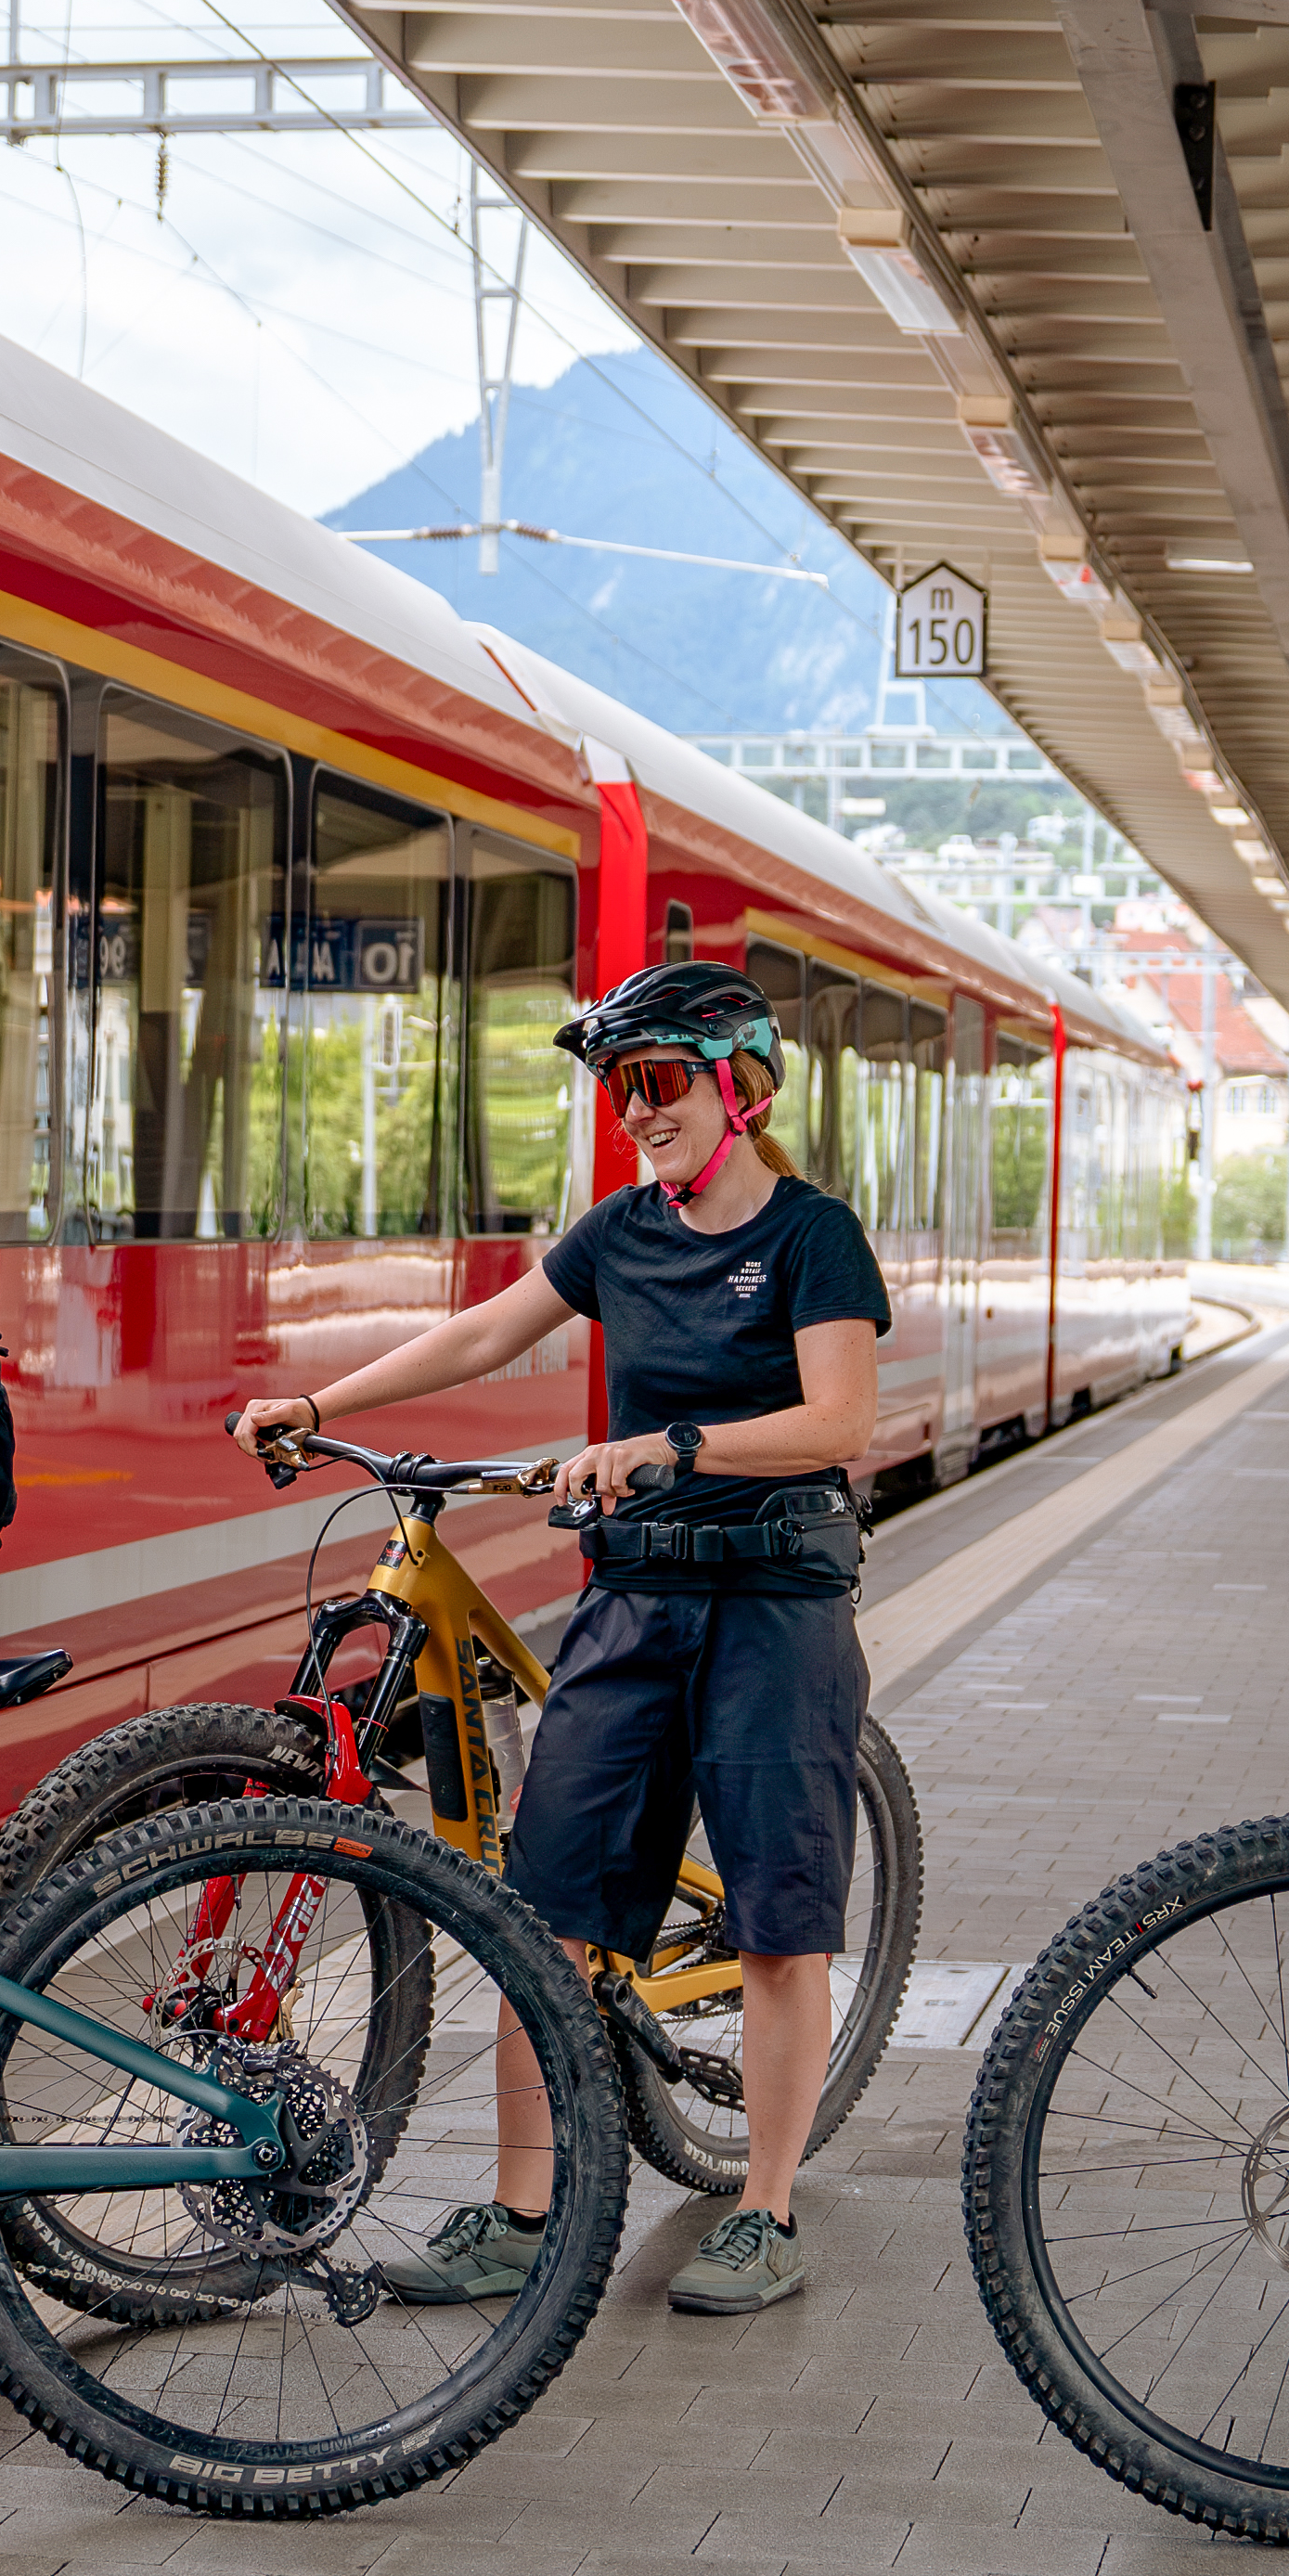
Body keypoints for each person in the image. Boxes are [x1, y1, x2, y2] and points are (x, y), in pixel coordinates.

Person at [226, 957, 890, 2318]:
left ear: (741, 1091)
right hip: (633, 1600)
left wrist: (674, 1446)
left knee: (778, 1929)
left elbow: (840, 1422)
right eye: (621, 1089)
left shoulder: (813, 1238)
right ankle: (522, 2213)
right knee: (544, 1916)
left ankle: (763, 2209)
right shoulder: (619, 1232)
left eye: (659, 1083)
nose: (636, 1112)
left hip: (775, 1605)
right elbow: (486, 1334)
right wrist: (319, 1403)